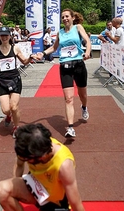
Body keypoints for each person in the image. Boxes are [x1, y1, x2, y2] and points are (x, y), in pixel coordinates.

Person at [0, 123, 91, 211]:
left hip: (57, 204)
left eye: (27, 159)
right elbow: (19, 164)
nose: (23, 159)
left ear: (41, 156)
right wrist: (16, 189)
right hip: (34, 190)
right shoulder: (30, 145)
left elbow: (76, 204)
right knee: (1, 190)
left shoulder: (63, 165)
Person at [35, 8, 91, 137]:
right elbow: (54, 48)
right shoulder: (60, 33)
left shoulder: (78, 28)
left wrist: (87, 52)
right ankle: (70, 127)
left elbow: (87, 41)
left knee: (83, 94)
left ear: (72, 18)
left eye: (67, 16)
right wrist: (42, 53)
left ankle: (84, 107)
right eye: (63, 17)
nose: (65, 19)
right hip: (65, 66)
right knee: (68, 98)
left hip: (78, 64)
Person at [0, 26, 34, 138]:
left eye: (6, 35)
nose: (4, 37)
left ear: (10, 36)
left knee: (14, 107)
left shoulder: (15, 48)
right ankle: (8, 116)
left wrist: (31, 58)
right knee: (6, 110)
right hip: (2, 81)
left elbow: (24, 61)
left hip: (15, 80)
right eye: (2, 35)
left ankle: (16, 127)